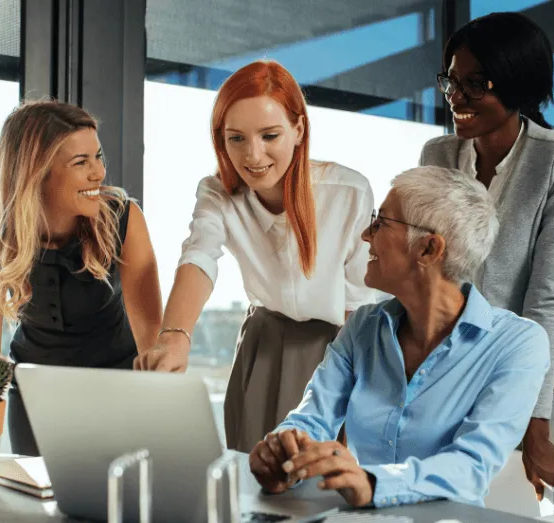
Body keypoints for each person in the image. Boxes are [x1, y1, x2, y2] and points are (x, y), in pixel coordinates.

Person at [248, 166, 550, 508]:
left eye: (381, 222)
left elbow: (472, 465)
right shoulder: (362, 327)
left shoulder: (518, 344)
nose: (365, 235)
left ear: (428, 249)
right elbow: (312, 417)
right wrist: (284, 451)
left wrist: (374, 484)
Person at [420, 12, 554, 511]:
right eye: (451, 82)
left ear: (518, 83)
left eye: (475, 84)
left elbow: (546, 296)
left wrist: (535, 425)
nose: (455, 98)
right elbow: (429, 279)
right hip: (478, 376)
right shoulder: (438, 156)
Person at [133, 60, 376, 453]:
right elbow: (199, 256)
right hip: (263, 344)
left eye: (269, 135)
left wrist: (356, 391)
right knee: (253, 472)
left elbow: (358, 307)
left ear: (298, 130)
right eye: (237, 139)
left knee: (322, 481)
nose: (253, 155)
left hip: (337, 346)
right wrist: (174, 337)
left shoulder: (348, 191)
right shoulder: (216, 193)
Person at [0, 99, 163, 456]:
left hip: (119, 393)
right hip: (35, 399)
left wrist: (164, 424)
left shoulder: (124, 218)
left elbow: (152, 337)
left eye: (98, 157)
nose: (99, 173)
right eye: (81, 162)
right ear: (37, 172)